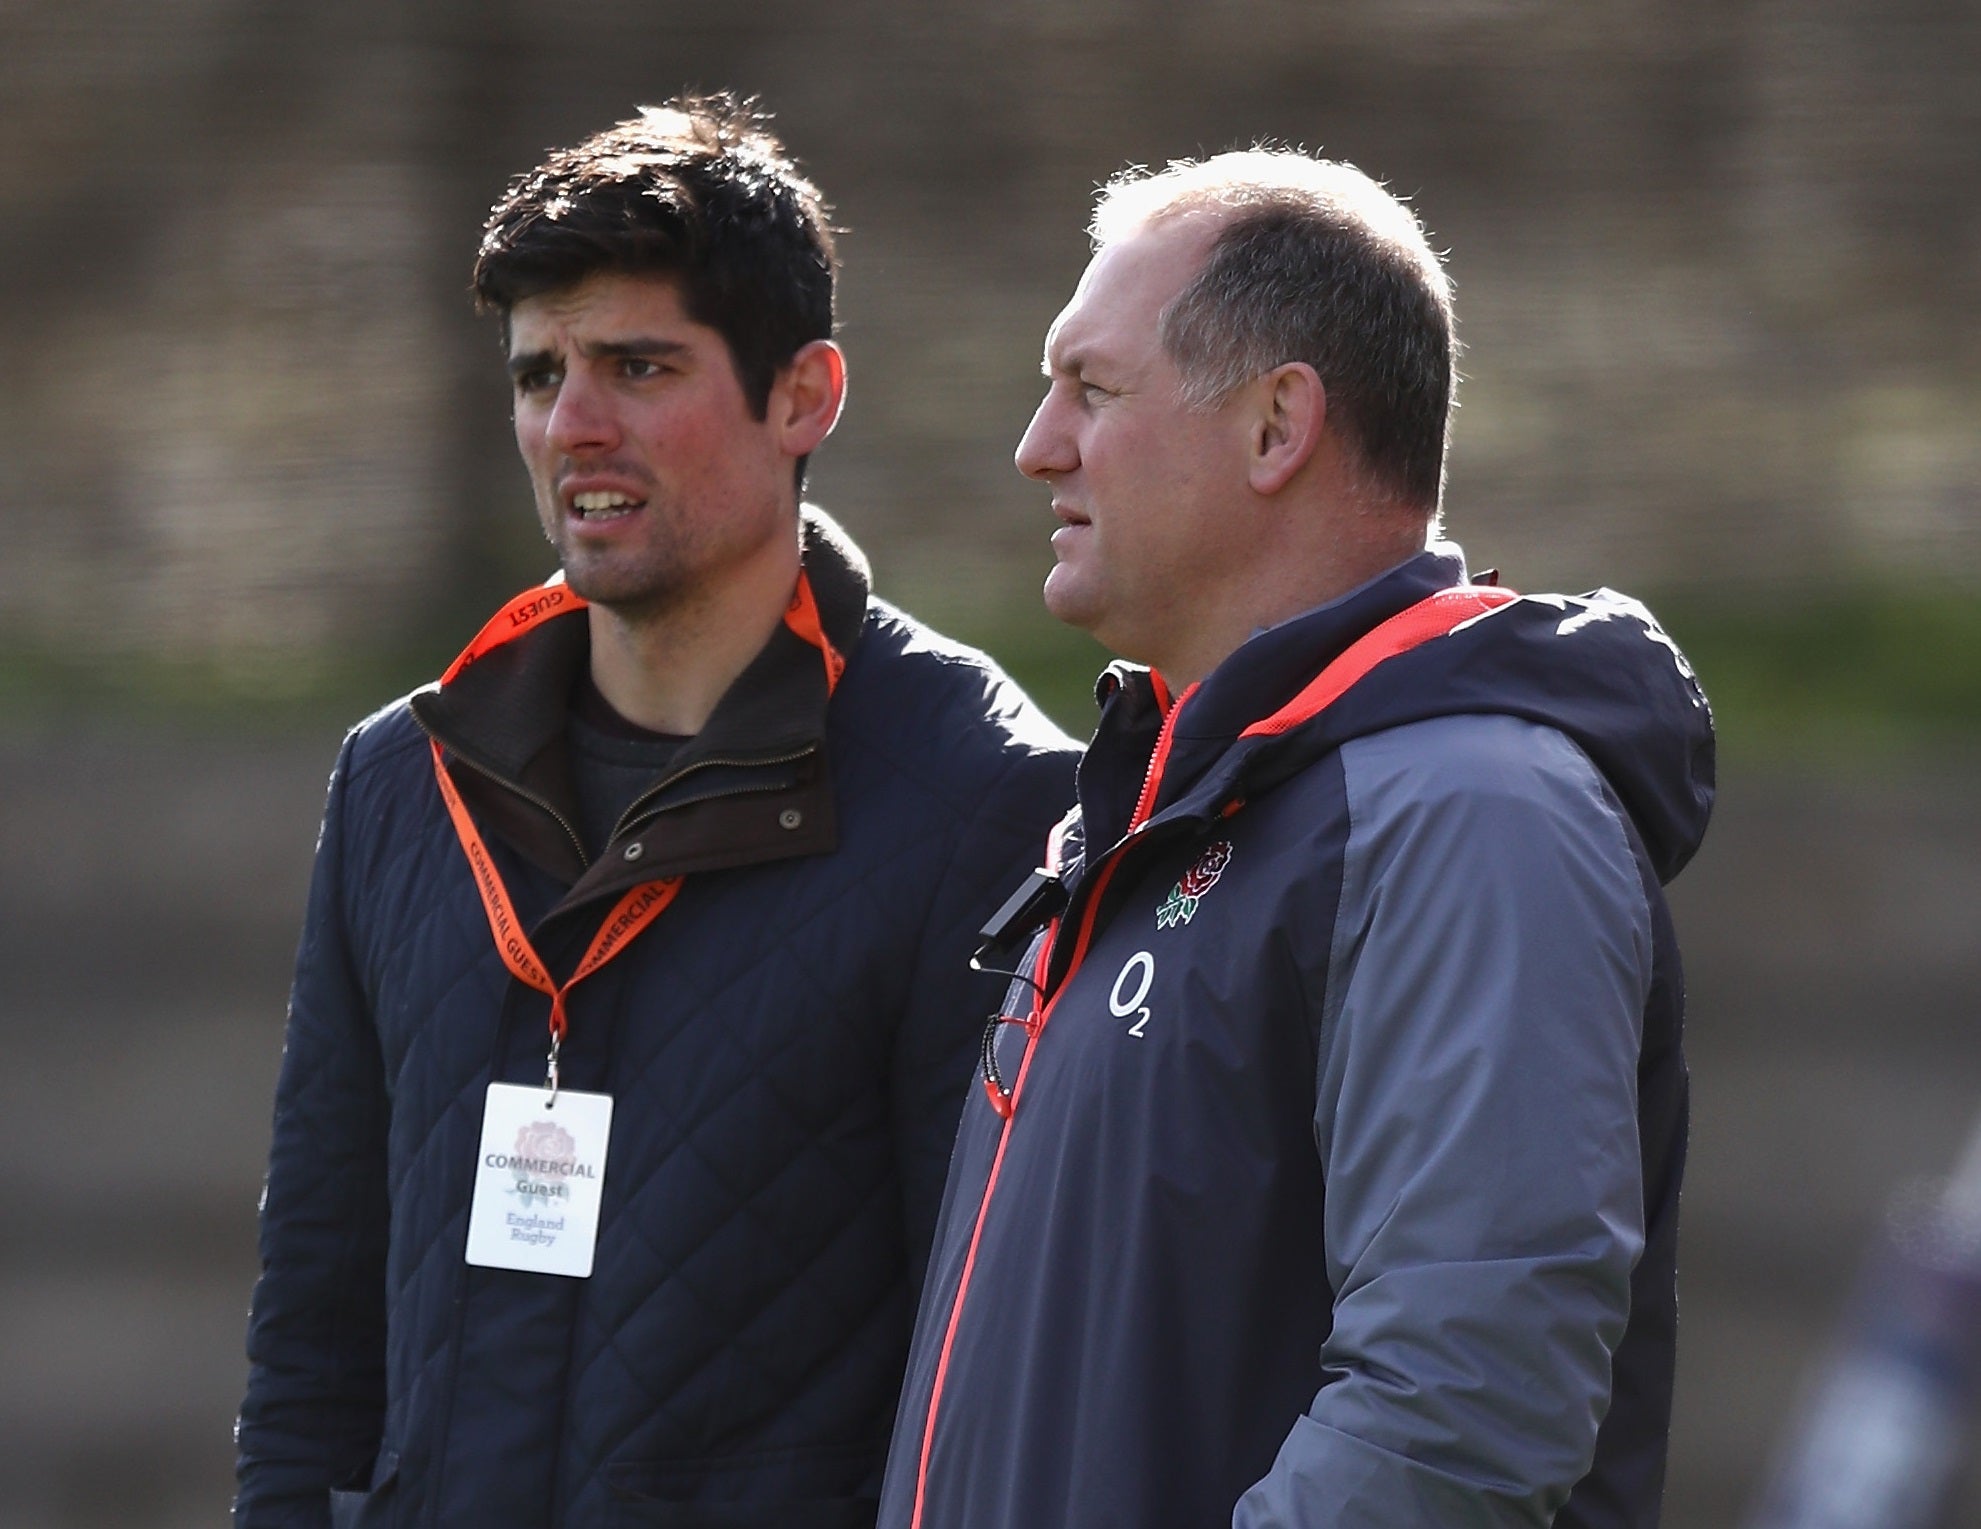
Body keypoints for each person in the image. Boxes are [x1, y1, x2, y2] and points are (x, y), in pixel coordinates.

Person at [234, 95, 1077, 1528]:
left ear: (804, 394)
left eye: (636, 365)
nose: (572, 424)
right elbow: (314, 1310)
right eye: (538, 372)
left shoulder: (985, 798)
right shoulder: (402, 778)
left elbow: (993, 1369)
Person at [878, 151, 1715, 1529]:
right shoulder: (1153, 814)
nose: (1036, 443)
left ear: (1277, 427)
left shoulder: (1468, 812)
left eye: (1090, 388)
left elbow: (1460, 1410)